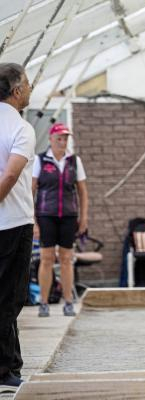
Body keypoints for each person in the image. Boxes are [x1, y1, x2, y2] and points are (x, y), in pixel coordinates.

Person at [0, 63, 35, 393]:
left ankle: (11, 364)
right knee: (10, 298)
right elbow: (10, 176)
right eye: (26, 82)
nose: (30, 87)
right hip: (12, 223)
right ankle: (5, 370)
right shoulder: (20, 128)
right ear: (16, 90)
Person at [33, 122, 89, 318]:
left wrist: (84, 218)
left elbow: (82, 191)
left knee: (66, 259)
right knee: (46, 259)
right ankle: (44, 302)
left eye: (65, 138)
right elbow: (31, 190)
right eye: (59, 138)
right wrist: (34, 221)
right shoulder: (40, 160)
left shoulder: (74, 161)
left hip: (68, 216)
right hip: (46, 215)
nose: (62, 141)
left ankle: (68, 302)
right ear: (51, 139)